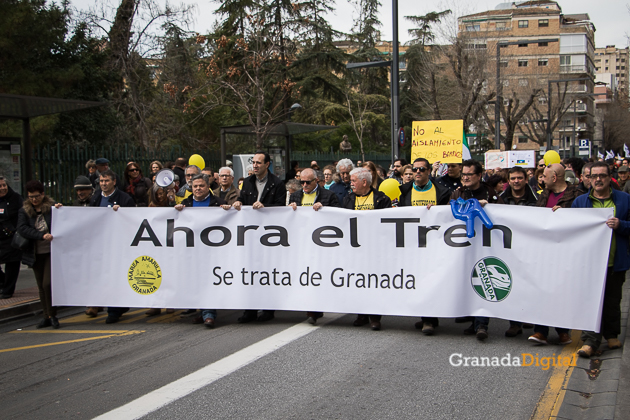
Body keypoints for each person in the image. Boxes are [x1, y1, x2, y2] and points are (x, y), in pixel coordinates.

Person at [573, 162, 630, 357]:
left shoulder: (624, 200)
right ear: (588, 178)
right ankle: (590, 341)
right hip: (590, 264)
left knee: (613, 300)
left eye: (602, 176)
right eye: (593, 176)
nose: (598, 179)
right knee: (591, 301)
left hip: (616, 261)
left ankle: (612, 334)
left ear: (609, 178)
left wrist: (621, 225)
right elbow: (571, 228)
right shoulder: (580, 202)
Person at [450, 160, 504, 340]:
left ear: (479, 176)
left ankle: (482, 324)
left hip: (486, 246)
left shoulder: (490, 193)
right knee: (467, 280)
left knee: (483, 277)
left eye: (469, 175)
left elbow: (503, 214)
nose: (465, 177)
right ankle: (473, 321)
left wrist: (488, 205)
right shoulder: (458, 192)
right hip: (464, 246)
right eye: (463, 174)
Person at [528, 163, 580, 345]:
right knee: (541, 289)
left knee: (561, 291)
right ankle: (540, 331)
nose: (541, 179)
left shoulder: (576, 195)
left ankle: (562, 331)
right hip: (544, 251)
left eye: (544, 176)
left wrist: (567, 214)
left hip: (565, 251)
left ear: (555, 177)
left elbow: (583, 218)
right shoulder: (543, 196)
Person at [233, 151, 286, 323]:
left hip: (270, 235)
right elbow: (242, 198)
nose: (255, 165)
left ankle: (268, 309)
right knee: (250, 271)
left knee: (267, 271)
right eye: (253, 162)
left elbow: (280, 207)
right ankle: (250, 309)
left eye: (258, 162)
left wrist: (265, 206)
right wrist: (239, 203)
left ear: (267, 164)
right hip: (250, 235)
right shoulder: (247, 182)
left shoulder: (277, 183)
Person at [398, 158, 450, 335]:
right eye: (415, 169)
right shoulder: (404, 191)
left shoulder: (441, 191)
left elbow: (448, 215)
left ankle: (429, 319)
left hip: (434, 242)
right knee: (418, 280)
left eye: (421, 169)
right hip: (412, 243)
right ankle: (426, 316)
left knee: (430, 280)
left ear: (429, 172)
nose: (417, 172)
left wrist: (437, 210)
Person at [174, 174, 229, 327]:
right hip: (192, 251)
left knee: (209, 280)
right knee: (196, 282)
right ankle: (202, 311)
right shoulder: (186, 204)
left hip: (212, 252)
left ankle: (209, 314)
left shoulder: (219, 203)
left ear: (208, 187)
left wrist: (227, 210)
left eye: (201, 186)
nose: (198, 189)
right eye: (195, 186)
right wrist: (177, 211)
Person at [342, 167, 392, 331]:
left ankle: (375, 317)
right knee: (358, 281)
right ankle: (361, 314)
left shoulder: (381, 199)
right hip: (355, 249)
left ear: (364, 182)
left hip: (375, 249)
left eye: (353, 180)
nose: (351, 183)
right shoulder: (348, 199)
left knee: (374, 282)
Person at [289, 168, 339, 325]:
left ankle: (315, 309)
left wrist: (325, 209)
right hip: (302, 242)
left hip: (321, 243)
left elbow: (339, 215)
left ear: (316, 181)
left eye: (307, 182)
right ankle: (311, 308)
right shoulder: (295, 196)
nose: (304, 185)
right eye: (301, 182)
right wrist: (289, 210)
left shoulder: (328, 196)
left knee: (318, 274)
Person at [89, 170, 135, 323]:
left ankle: (114, 311)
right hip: (101, 245)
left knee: (116, 277)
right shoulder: (95, 199)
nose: (103, 184)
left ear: (114, 182)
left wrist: (121, 212)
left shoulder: (124, 199)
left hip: (118, 245)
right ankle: (115, 306)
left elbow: (132, 220)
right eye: (101, 181)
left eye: (106, 181)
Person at [499, 167, 538, 337]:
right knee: (513, 285)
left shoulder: (537, 198)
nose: (516, 181)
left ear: (526, 179)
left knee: (530, 284)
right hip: (508, 247)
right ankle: (514, 323)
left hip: (530, 247)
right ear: (509, 180)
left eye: (519, 178)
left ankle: (530, 315)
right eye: (513, 178)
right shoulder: (500, 199)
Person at [17, 181, 61, 328]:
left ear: (43, 194)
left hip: (50, 252)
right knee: (40, 287)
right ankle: (46, 316)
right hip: (35, 253)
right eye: (31, 197)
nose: (34, 199)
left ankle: (53, 315)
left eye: (36, 196)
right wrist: (40, 235)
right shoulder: (24, 211)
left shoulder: (51, 209)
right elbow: (22, 228)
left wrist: (61, 210)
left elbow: (61, 222)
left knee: (47, 283)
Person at [0, 177, 23, 299]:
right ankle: (3, 281)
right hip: (1, 237)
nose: (3, 188)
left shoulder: (15, 198)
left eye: (4, 185)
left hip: (12, 237)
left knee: (12, 263)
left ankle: (8, 290)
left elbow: (23, 214)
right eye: (0, 186)